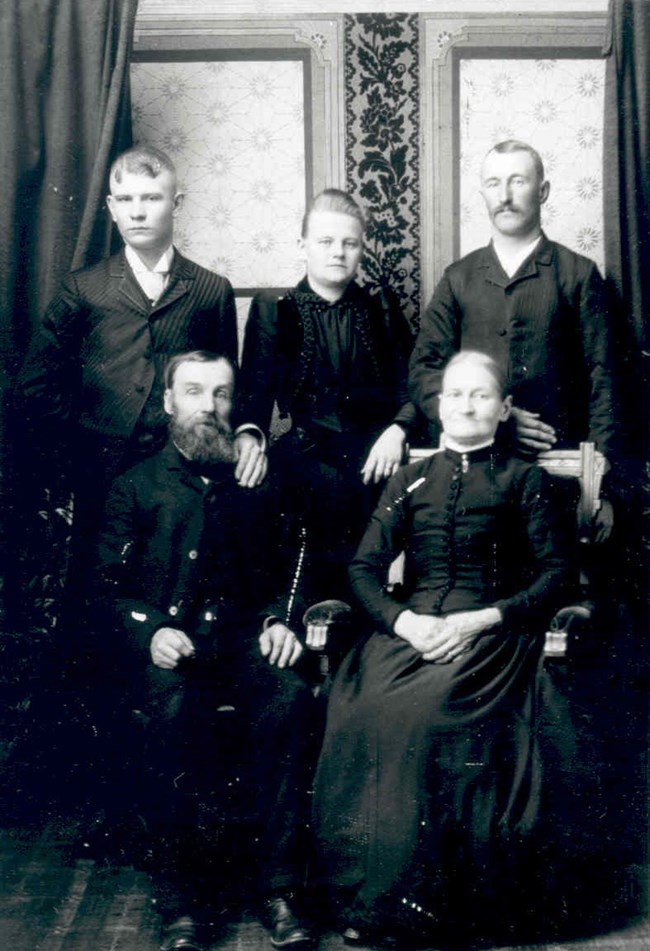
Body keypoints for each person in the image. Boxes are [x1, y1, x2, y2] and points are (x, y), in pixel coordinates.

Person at [311, 350, 574, 946]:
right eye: (454, 394)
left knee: (421, 719)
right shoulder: (410, 479)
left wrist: (485, 618)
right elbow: (363, 568)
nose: (466, 405)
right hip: (413, 631)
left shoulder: (523, 478)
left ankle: (426, 905)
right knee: (358, 710)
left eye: (481, 395)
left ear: (504, 409)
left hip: (492, 637)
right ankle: (371, 895)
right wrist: (403, 623)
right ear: (436, 405)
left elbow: (556, 573)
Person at [94, 351, 319, 951]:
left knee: (290, 699)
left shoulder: (257, 483)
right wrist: (150, 633)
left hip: (242, 645)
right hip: (172, 651)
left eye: (221, 394)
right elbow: (107, 589)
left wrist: (280, 620)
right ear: (169, 401)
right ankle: (180, 901)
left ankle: (279, 890)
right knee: (170, 717)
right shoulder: (135, 485)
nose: (208, 407)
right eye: (193, 392)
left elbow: (292, 564)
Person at [17, 145, 266, 619]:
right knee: (97, 594)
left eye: (151, 198)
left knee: (182, 583)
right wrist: (90, 435)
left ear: (176, 203)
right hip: (102, 471)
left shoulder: (210, 289)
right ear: (110, 209)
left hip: (180, 469)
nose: (137, 211)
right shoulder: (83, 288)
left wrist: (246, 433)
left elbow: (228, 383)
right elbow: (35, 387)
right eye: (125, 199)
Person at [408, 140, 618, 538]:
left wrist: (603, 484)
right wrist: (496, 420)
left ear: (543, 191)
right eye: (493, 183)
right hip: (475, 470)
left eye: (517, 181)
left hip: (562, 470)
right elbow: (423, 370)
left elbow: (604, 380)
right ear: (483, 192)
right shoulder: (459, 277)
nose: (504, 196)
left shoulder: (578, 274)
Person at [240, 188, 419, 607]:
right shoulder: (274, 307)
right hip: (304, 457)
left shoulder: (381, 308)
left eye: (349, 243)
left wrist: (398, 428)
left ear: (361, 249)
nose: (337, 252)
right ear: (302, 246)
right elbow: (254, 393)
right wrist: (249, 436)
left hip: (376, 460)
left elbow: (413, 387)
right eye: (325, 242)